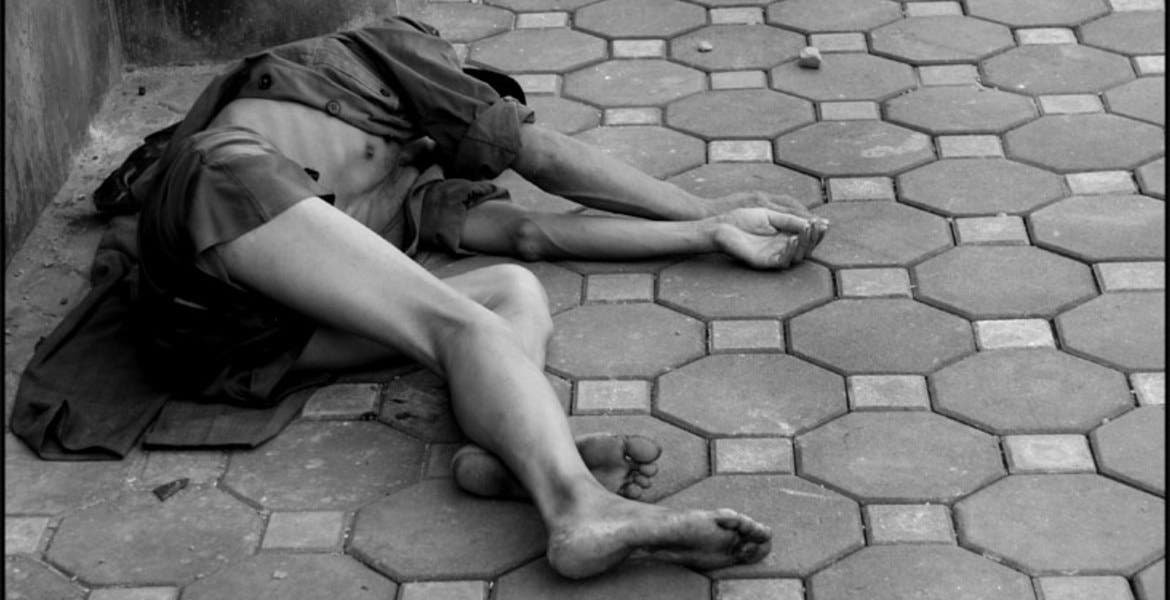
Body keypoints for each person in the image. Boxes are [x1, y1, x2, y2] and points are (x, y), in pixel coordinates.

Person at [110, 16, 831, 578]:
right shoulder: (384, 53)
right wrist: (695, 201)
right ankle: (580, 506)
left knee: (511, 291)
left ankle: (513, 460)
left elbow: (531, 234)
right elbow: (540, 156)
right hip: (221, 203)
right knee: (456, 324)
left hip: (261, 333)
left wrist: (708, 233)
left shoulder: (414, 178)